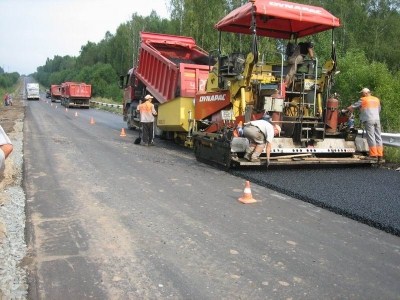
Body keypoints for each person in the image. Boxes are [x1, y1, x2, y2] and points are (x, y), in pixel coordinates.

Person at [346, 87, 383, 161]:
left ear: (366, 93)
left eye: (362, 93)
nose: (361, 95)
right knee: (378, 137)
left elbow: (353, 106)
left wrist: (346, 109)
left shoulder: (363, 99)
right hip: (377, 119)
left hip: (369, 120)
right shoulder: (376, 99)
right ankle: (380, 155)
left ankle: (373, 155)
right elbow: (379, 109)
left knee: (371, 137)